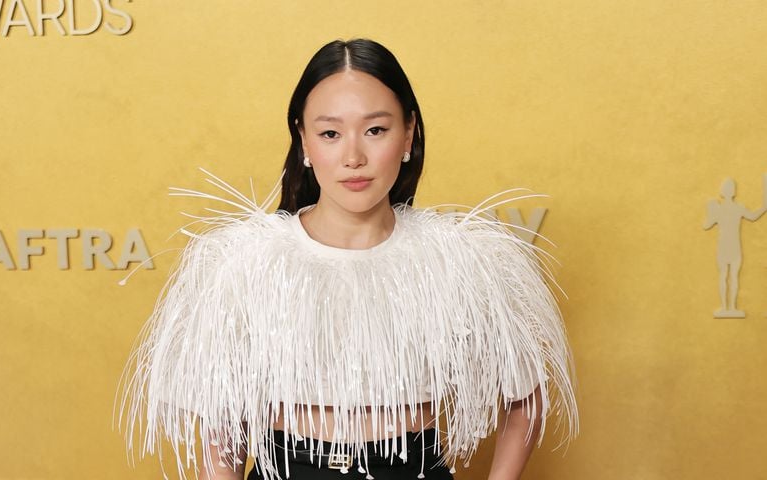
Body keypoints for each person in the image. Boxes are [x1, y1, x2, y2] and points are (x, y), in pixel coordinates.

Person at [114, 38, 578, 480]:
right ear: (304, 142)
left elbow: (525, 399)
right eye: (331, 133)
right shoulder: (245, 262)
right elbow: (223, 433)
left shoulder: (463, 260)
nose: (354, 156)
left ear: (408, 134)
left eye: (375, 129)